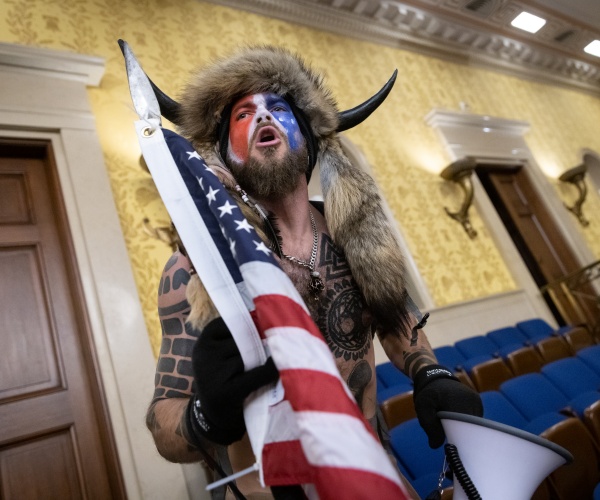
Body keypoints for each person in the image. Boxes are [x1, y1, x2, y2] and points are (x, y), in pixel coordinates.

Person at [143, 46, 483, 499]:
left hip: (370, 472)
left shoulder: (358, 243)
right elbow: (163, 427)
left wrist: (430, 373)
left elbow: (396, 323)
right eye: (243, 116)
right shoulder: (195, 269)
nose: (263, 118)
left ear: (308, 138)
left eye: (278, 108)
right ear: (223, 153)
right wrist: (206, 415)